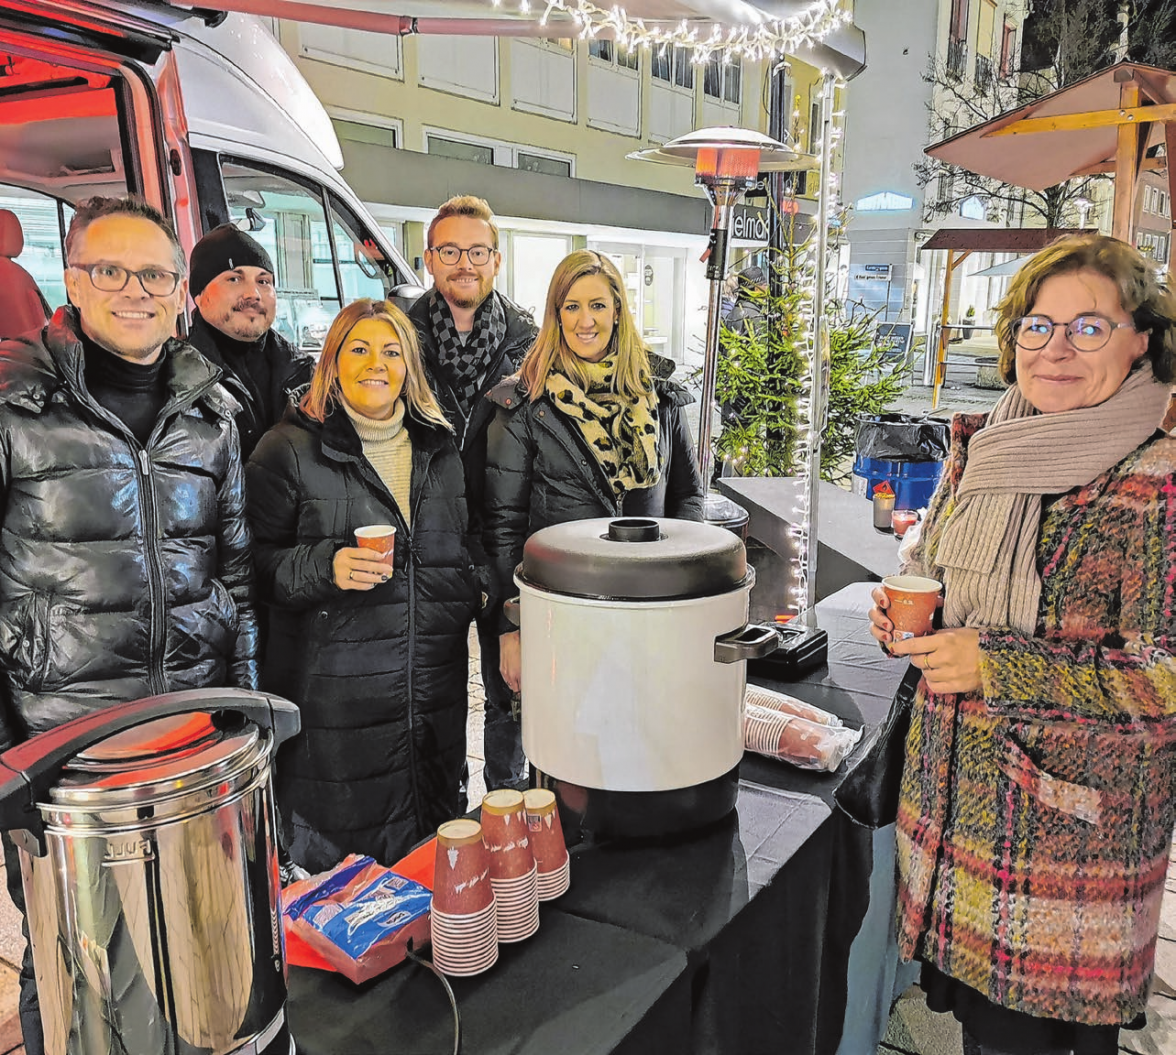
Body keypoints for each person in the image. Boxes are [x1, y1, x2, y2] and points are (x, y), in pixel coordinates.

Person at [867, 233, 1176, 1055]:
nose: (1056, 349)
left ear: (1142, 339)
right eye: (1037, 326)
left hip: (1066, 856)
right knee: (983, 1032)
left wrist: (992, 661)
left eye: (1089, 327)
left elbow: (1165, 676)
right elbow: (934, 567)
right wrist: (904, 610)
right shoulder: (989, 444)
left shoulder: (1158, 478)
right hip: (961, 822)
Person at [0, 194, 258, 1055]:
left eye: (154, 274)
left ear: (180, 290)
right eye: (111, 270)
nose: (135, 291)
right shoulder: (15, 404)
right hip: (62, 753)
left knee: (199, 958)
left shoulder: (211, 414)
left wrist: (248, 724)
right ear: (72, 281)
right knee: (75, 972)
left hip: (189, 738)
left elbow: (234, 576)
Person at [246, 298, 484, 874]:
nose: (376, 363)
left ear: (409, 367)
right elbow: (250, 567)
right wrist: (325, 566)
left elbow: (463, 547)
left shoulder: (440, 448)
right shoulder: (287, 449)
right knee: (347, 889)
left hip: (434, 706)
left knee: (431, 879)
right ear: (333, 361)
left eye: (391, 351)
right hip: (336, 719)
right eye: (359, 349)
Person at [484, 249, 706, 695]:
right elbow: (502, 528)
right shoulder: (524, 404)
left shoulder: (659, 397)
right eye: (572, 306)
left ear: (618, 311)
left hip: (648, 613)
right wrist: (511, 625)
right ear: (556, 316)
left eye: (598, 305)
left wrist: (680, 588)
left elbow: (688, 497)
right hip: (560, 613)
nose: (585, 320)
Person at [408, 195, 537, 792]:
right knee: (429, 691)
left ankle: (507, 808)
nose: (465, 263)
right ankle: (444, 810)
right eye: (451, 251)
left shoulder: (528, 343)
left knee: (510, 692)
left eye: (478, 251)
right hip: (425, 540)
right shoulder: (400, 337)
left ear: (497, 260)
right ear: (430, 259)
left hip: (501, 537)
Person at [187, 222, 314, 457]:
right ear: (199, 295)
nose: (253, 294)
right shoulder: (177, 380)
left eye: (263, 282)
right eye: (234, 279)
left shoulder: (306, 374)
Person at [723, 264, 768, 336]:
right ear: (757, 289)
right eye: (765, 285)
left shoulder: (734, 312)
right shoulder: (755, 317)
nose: (767, 289)